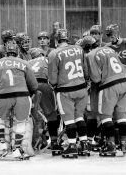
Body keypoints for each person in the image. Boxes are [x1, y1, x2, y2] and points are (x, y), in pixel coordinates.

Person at [82, 35, 126, 156]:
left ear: (87, 47)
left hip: (110, 86)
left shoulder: (90, 55)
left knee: (105, 116)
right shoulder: (109, 49)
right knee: (122, 115)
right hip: (124, 83)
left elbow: (96, 78)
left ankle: (110, 145)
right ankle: (124, 143)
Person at [0, 40, 38, 159]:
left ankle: (1, 146)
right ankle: (17, 149)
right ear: (17, 51)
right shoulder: (23, 62)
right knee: (21, 122)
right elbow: (34, 85)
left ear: (5, 52)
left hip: (2, 96)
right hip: (21, 95)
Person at [48, 29, 90, 158]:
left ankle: (72, 146)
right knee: (80, 117)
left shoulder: (54, 53)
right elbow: (85, 70)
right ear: (67, 39)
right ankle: (84, 144)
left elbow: (53, 79)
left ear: (56, 40)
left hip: (66, 91)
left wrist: (54, 84)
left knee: (69, 119)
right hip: (82, 88)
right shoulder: (78, 49)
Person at [28, 48, 62, 155]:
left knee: (32, 117)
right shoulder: (47, 59)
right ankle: (54, 142)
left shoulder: (28, 62)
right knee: (52, 114)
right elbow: (53, 74)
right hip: (44, 84)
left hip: (29, 87)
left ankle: (33, 142)